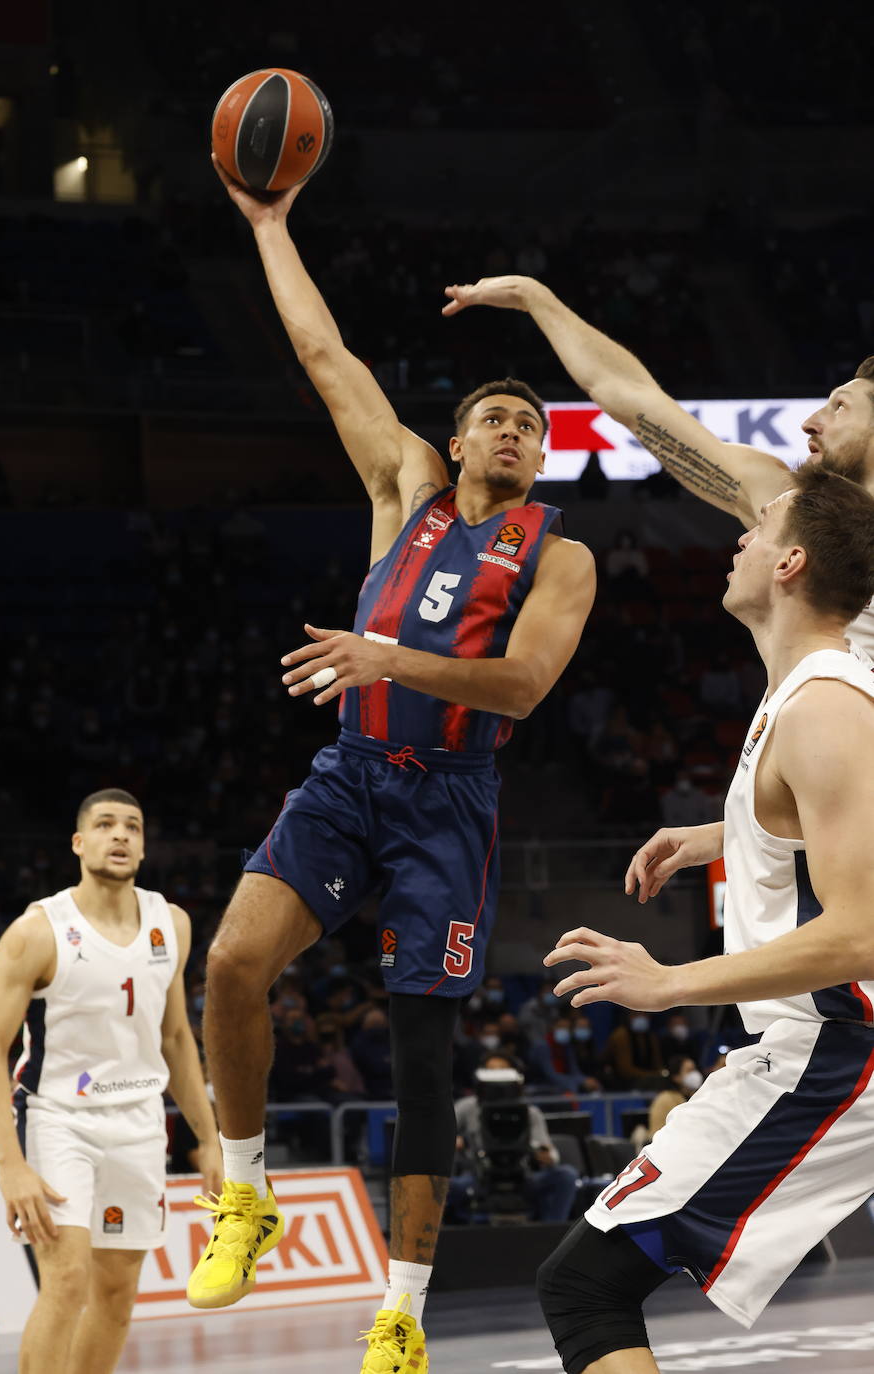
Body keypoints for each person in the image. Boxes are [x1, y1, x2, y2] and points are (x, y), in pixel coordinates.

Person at [191, 159, 596, 1373]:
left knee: (423, 1056)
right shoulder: (404, 485)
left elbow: (520, 687)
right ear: (457, 439)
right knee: (232, 963)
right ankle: (245, 1192)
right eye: (495, 419)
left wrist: (386, 655)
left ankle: (401, 1313)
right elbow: (324, 355)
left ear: (539, 460)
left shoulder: (557, 557)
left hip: (450, 803)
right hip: (354, 770)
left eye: (530, 427)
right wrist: (270, 224)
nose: (513, 433)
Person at [535, 466, 874, 1373]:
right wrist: (729, 831)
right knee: (584, 1284)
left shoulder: (825, 705)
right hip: (821, 1041)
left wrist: (669, 983)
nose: (741, 539)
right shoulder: (808, 693)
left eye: (760, 527)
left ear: (792, 563)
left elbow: (863, 933)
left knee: (585, 1286)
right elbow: (831, 817)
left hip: (838, 1047)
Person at [441, 275, 874, 657]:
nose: (809, 422)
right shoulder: (788, 503)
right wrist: (534, 297)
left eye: (839, 407)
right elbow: (629, 395)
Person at [0, 789, 221, 1374]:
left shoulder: (171, 923)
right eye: (105, 825)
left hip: (139, 1122)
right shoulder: (37, 931)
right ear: (79, 843)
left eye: (132, 826)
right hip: (59, 1119)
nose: (120, 835)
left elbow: (175, 1037)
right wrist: (11, 1165)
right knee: (66, 1280)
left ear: (144, 845)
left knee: (116, 1294)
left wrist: (210, 1138)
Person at [447, 1052, 578, 1224]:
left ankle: (553, 1232)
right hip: (478, 1177)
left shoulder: (530, 1113)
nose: (497, 1076)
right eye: (491, 1070)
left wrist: (547, 1156)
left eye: (502, 1070)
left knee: (566, 1175)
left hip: (522, 1177)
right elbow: (442, 1136)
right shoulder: (466, 1107)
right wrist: (453, 1141)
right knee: (442, 1185)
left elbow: (550, 1153)